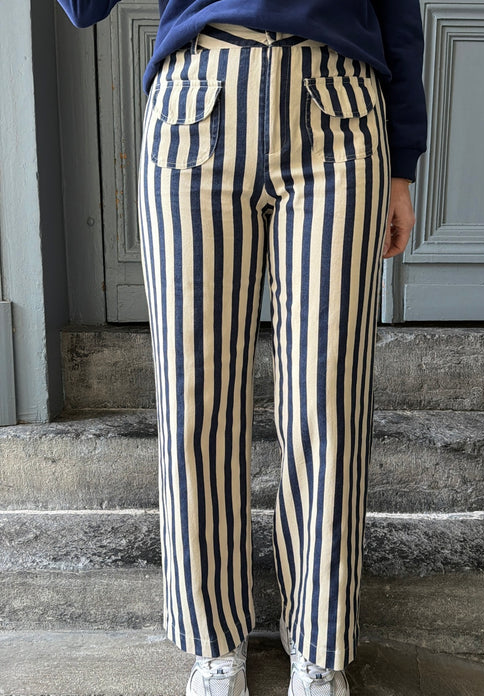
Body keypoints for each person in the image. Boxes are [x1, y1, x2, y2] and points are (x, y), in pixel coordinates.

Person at [57, 2, 427, 694]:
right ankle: (213, 642)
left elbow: (397, 11)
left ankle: (318, 646)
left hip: (339, 114)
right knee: (194, 400)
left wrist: (401, 165)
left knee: (329, 399)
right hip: (196, 107)